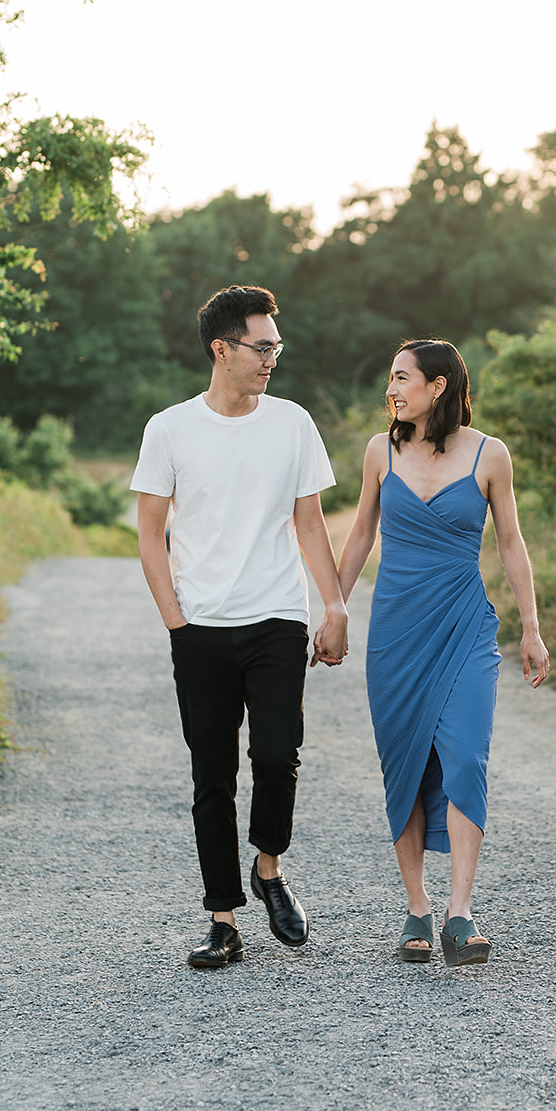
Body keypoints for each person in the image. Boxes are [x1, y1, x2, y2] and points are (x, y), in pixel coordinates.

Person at [131, 284, 349, 969]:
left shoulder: (291, 423)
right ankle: (223, 920)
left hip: (277, 617)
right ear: (221, 349)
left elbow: (308, 521)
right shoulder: (169, 428)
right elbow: (149, 531)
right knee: (211, 775)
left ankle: (269, 867)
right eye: (261, 347)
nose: (272, 359)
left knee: (278, 753)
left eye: (276, 346)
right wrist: (176, 621)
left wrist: (334, 604)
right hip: (201, 625)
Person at [333, 338, 548, 967]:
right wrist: (336, 610)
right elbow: (360, 534)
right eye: (391, 380)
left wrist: (530, 627)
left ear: (438, 387)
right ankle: (417, 910)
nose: (392, 391)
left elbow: (511, 541)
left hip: (465, 628)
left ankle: (460, 913)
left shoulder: (490, 455)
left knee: (463, 757)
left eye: (402, 379)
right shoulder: (381, 451)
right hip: (397, 631)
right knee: (403, 761)